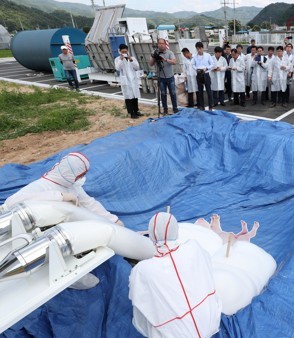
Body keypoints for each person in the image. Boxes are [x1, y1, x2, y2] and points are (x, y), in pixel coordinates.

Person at [2, 152, 125, 289]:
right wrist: (60, 196)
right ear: (72, 174)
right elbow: (11, 202)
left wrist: (112, 220)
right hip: (31, 229)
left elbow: (90, 203)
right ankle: (69, 273)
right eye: (80, 175)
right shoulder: (42, 185)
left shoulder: (71, 185)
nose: (82, 178)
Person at [129, 212, 222, 338]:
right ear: (177, 232)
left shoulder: (142, 270)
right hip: (210, 324)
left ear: (150, 236)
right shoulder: (194, 248)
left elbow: (140, 304)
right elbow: (207, 272)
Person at [149, 38, 179, 115]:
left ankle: (175, 108)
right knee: (163, 93)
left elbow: (174, 62)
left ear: (165, 44)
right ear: (157, 44)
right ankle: (165, 109)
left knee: (172, 93)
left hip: (170, 77)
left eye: (163, 43)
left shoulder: (169, 52)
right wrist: (154, 57)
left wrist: (165, 60)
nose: (161, 45)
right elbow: (151, 64)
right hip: (161, 77)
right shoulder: (155, 52)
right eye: (160, 43)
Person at [115, 44, 142, 119]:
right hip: (126, 81)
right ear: (119, 51)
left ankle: (136, 110)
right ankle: (131, 112)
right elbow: (117, 68)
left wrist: (131, 60)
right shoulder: (117, 59)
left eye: (125, 51)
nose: (124, 53)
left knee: (134, 96)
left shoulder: (132, 58)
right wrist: (121, 59)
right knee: (128, 97)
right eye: (122, 51)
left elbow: (137, 67)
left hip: (133, 80)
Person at [193, 42, 215, 111]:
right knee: (200, 91)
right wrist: (196, 69)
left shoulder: (207, 55)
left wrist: (207, 68)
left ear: (202, 48)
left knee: (208, 90)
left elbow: (212, 64)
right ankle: (202, 106)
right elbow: (192, 64)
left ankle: (210, 106)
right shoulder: (194, 56)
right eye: (197, 49)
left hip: (206, 73)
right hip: (199, 74)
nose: (199, 50)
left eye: (200, 48)